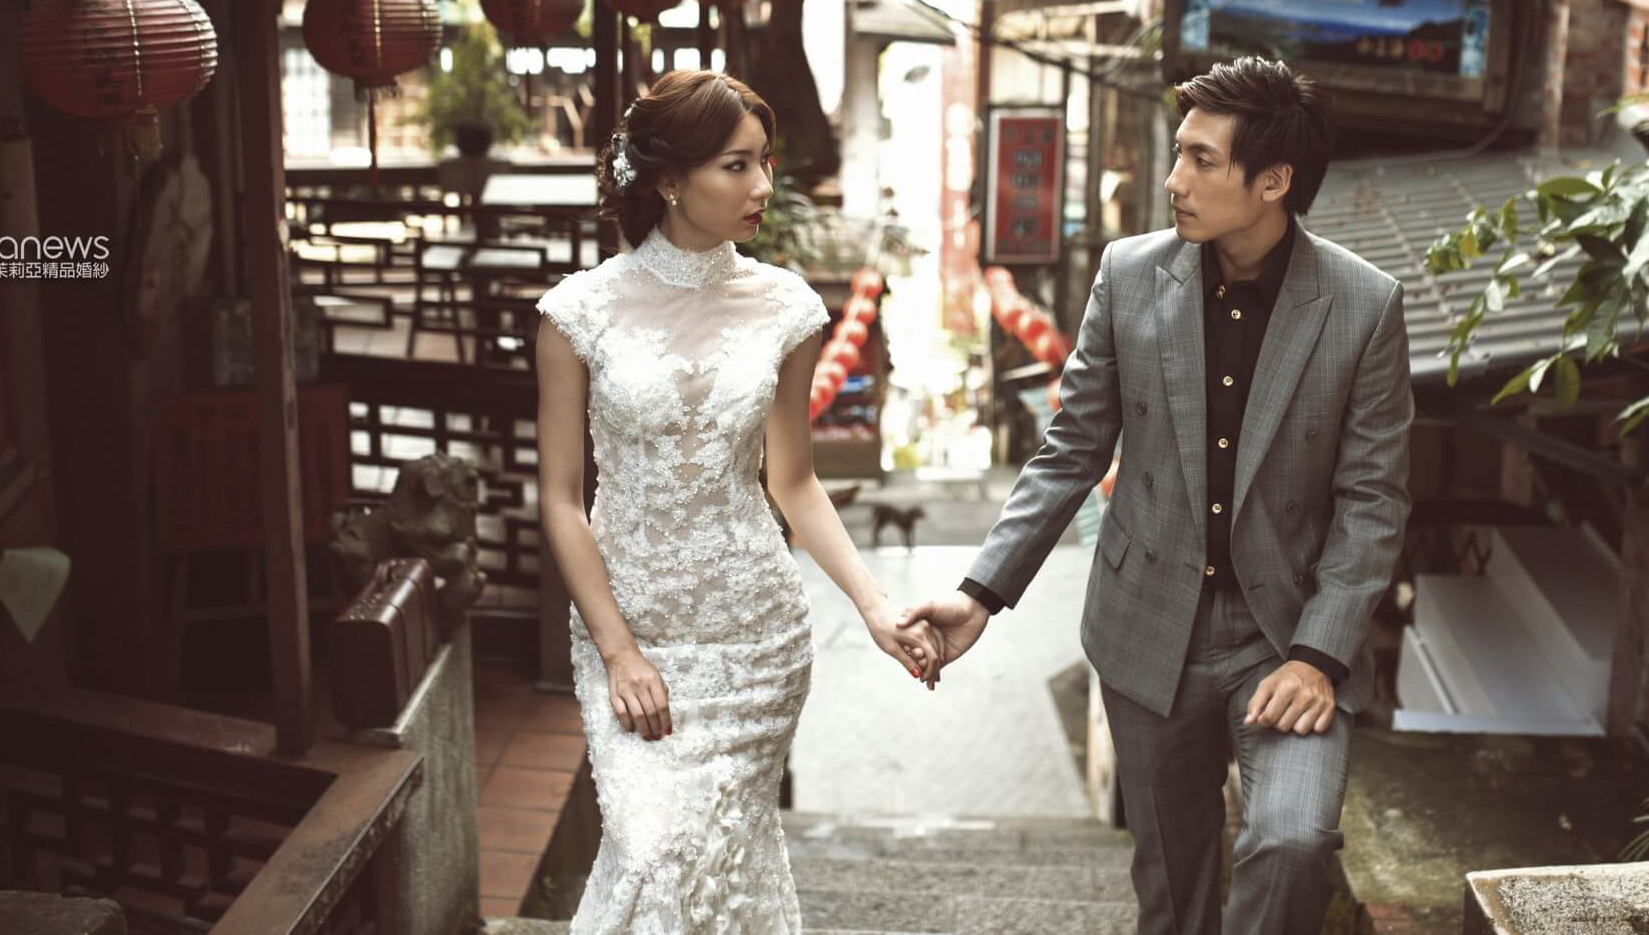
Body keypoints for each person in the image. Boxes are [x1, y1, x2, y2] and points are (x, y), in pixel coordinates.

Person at [902, 56, 1413, 935]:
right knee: (1172, 890)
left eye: (1201, 159)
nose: (1174, 179)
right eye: (1180, 152)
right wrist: (981, 591)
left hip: (1286, 633)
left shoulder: (1363, 305)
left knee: (1294, 841)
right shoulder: (1130, 273)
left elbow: (1374, 500)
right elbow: (1072, 448)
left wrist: (1317, 655)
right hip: (1146, 626)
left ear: (1273, 181)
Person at [534, 70, 939, 932]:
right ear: (670, 179)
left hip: (756, 636)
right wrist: (618, 652)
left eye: (765, 163)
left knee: (719, 861)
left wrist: (874, 607)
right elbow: (562, 501)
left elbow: (793, 481)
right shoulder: (576, 313)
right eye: (736, 165)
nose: (762, 186)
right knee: (652, 855)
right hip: (632, 627)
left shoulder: (787, 308)